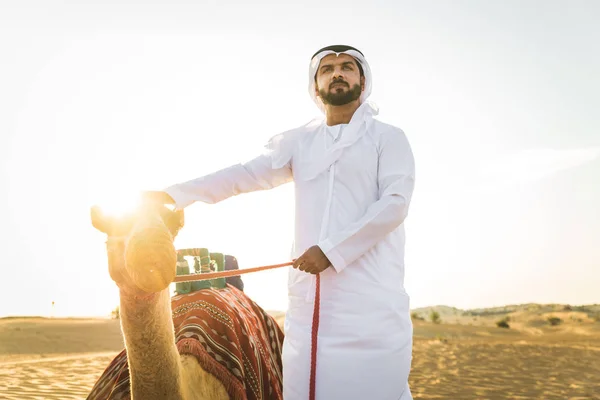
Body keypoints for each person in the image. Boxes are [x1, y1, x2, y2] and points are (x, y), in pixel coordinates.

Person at [159, 44, 416, 400]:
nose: (337, 73)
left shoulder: (388, 138)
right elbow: (245, 174)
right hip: (309, 308)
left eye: (346, 67)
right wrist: (173, 195)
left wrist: (330, 251)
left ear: (363, 80)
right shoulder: (300, 143)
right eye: (326, 69)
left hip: (370, 306)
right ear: (315, 87)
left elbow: (395, 204)